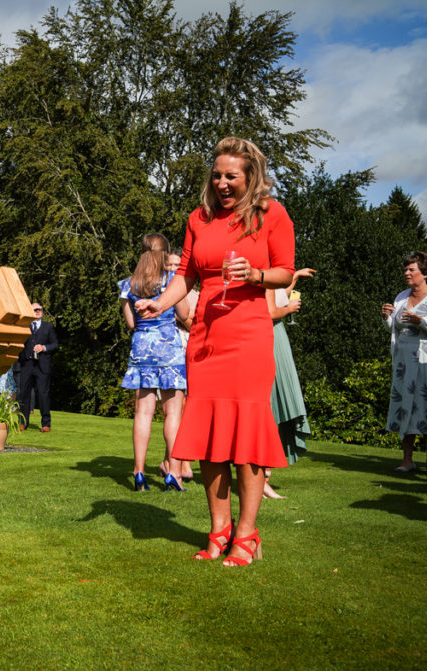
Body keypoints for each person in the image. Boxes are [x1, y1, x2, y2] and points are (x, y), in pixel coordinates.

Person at [136, 137, 295, 567]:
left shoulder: (270, 214)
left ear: (250, 177)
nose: (223, 183)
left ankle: (247, 534)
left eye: (232, 176)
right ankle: (219, 530)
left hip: (248, 333)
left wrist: (257, 273)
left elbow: (285, 271)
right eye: (218, 175)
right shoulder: (198, 218)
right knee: (208, 438)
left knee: (247, 436)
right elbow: (185, 274)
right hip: (206, 334)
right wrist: (159, 304)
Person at [119, 233, 188, 491]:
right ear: (164, 253)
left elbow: (130, 323)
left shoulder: (129, 284)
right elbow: (184, 313)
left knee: (143, 413)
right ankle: (173, 471)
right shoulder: (173, 281)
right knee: (173, 413)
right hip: (169, 348)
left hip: (142, 348)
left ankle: (138, 473)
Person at [381, 252, 427, 476]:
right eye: (406, 269)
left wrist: (423, 324)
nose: (406, 273)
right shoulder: (402, 296)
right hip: (404, 364)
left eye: (412, 270)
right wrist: (388, 318)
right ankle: (407, 460)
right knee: (405, 409)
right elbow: (395, 329)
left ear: (426, 273)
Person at [263, 268, 315, 498]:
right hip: (271, 337)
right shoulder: (263, 278)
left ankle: (264, 476)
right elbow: (269, 311)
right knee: (272, 407)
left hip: (279, 337)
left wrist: (294, 278)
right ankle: (262, 478)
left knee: (276, 407)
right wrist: (289, 309)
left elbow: (279, 294)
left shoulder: (271, 280)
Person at [163, 248, 196, 482]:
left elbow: (197, 323)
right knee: (173, 409)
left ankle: (178, 460)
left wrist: (182, 317)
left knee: (187, 408)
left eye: (177, 265)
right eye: (170, 265)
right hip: (166, 354)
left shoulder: (194, 293)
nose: (174, 269)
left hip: (190, 351)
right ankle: (175, 461)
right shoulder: (157, 290)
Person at [17, 302, 58, 431]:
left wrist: (44, 347)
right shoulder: (24, 327)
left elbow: (55, 345)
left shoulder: (48, 327)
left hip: (43, 366)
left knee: (43, 394)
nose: (37, 311)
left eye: (39, 309)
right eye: (35, 310)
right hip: (27, 365)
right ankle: (22, 422)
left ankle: (46, 424)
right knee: (24, 394)